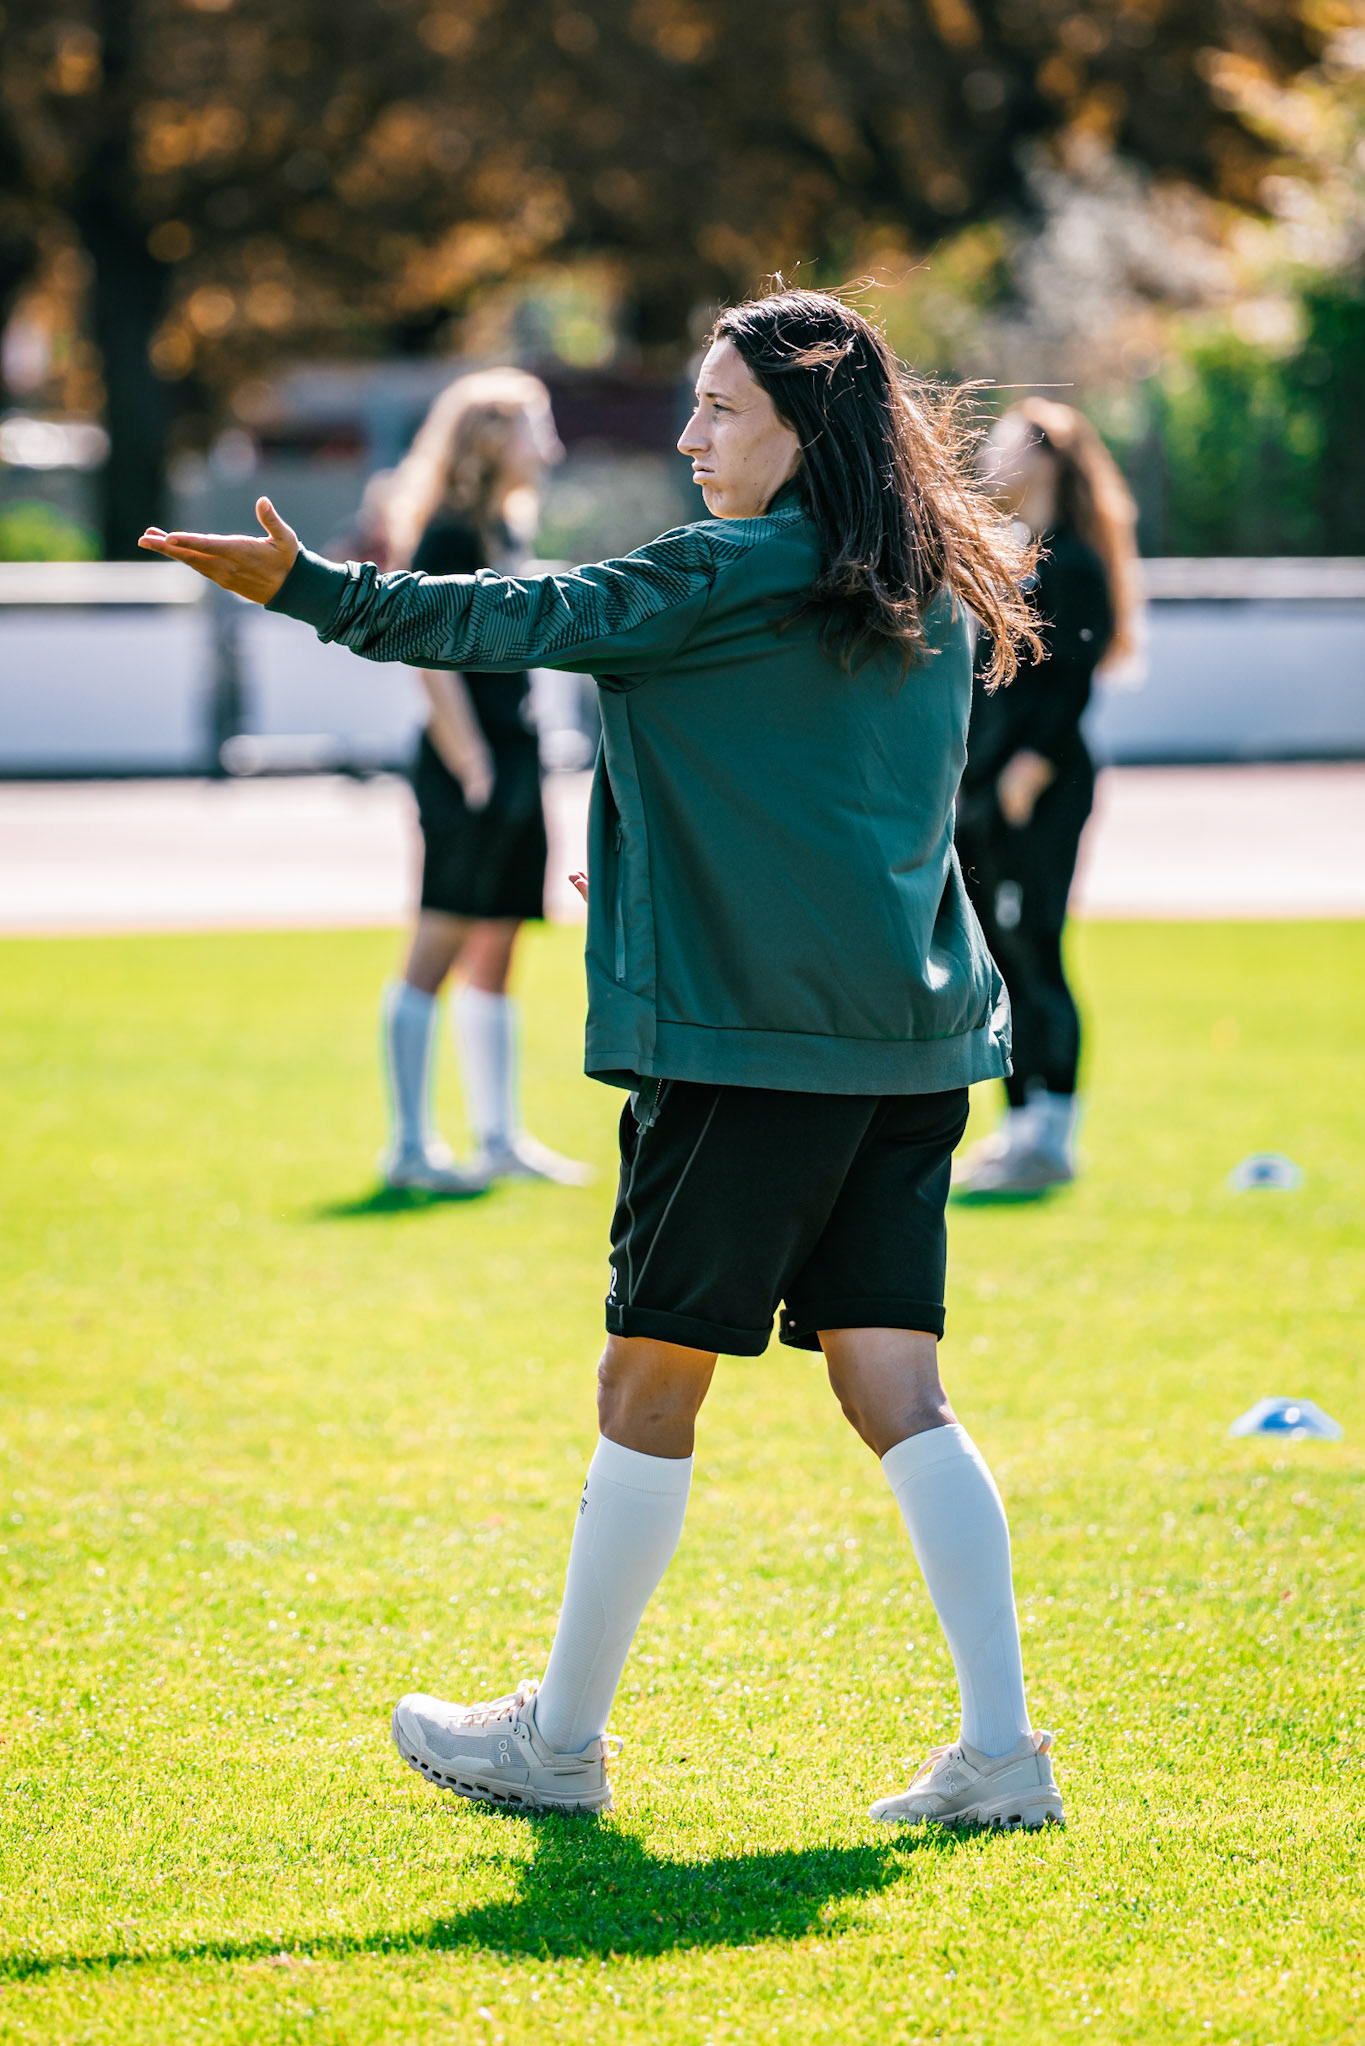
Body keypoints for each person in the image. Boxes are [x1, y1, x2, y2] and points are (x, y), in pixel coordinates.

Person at [140, 288, 1066, 1833]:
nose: (691, 436)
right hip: (909, 1054)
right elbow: (848, 821)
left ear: (805, 428)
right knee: (897, 1385)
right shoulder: (933, 587)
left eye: (721, 409)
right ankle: (1002, 1755)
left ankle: (557, 1746)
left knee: (645, 1383)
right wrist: (657, 879)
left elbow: (511, 625)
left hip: (753, 1057)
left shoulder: (717, 570)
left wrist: (306, 586)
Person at [369, 368, 589, 1193]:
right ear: (491, 437)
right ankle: (408, 1147)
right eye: (537, 425)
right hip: (473, 765)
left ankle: (497, 1140)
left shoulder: (503, 528)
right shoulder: (450, 534)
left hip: (516, 756)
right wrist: (474, 768)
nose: (552, 446)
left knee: (497, 943)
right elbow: (426, 658)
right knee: (438, 940)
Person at [953, 399, 1140, 1197]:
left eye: (1005, 445)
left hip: (1040, 787)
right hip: (985, 786)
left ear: (1049, 459)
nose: (991, 457)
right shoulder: (1015, 555)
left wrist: (1028, 767)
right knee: (996, 953)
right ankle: (1017, 1123)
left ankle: (1052, 1133)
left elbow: (1070, 680)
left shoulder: (1072, 563)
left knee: (1036, 942)